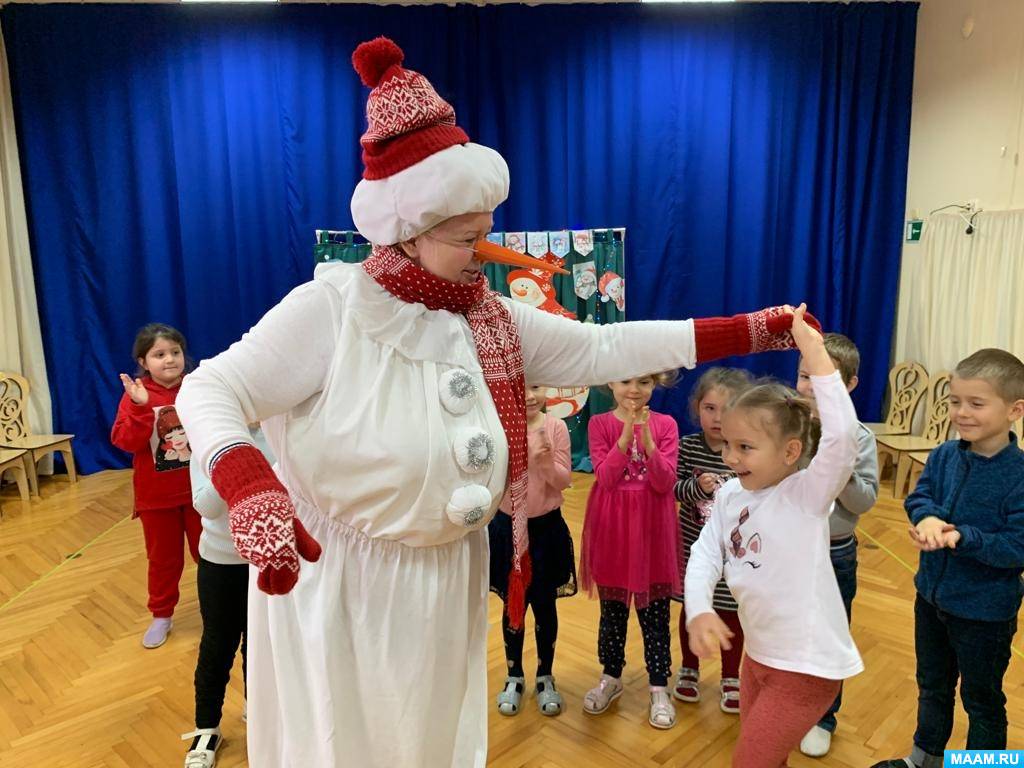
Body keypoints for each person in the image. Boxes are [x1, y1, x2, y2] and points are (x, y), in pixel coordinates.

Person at [177, 36, 818, 768]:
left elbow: (606, 349)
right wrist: (246, 480)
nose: (485, 247)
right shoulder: (331, 308)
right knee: (343, 743)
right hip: (344, 587)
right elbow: (210, 388)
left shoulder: (488, 317)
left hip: (444, 577)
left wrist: (749, 330)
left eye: (486, 229)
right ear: (407, 230)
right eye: (466, 235)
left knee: (428, 740)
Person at [686, 306, 863, 768]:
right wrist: (700, 608)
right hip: (758, 658)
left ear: (790, 451)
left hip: (804, 668)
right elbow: (705, 552)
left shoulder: (805, 495)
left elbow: (842, 439)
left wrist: (814, 351)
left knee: (749, 761)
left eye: (746, 447)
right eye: (727, 444)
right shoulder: (729, 495)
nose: (730, 457)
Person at [870, 349, 1024, 768]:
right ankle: (925, 759)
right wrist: (928, 518)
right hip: (932, 600)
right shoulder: (942, 456)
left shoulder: (1019, 476)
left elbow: (1016, 548)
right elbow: (921, 496)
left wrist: (961, 537)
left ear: (1015, 410)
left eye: (976, 403)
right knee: (933, 685)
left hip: (984, 614)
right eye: (955, 401)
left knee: (982, 699)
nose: (962, 412)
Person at [579, 372, 681, 729]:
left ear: (656, 385)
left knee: (655, 614)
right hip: (613, 528)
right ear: (610, 383)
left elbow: (665, 481)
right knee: (613, 612)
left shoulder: (667, 424)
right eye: (624, 381)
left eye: (644, 381)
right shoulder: (598, 423)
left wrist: (650, 443)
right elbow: (605, 479)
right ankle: (611, 676)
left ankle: (658, 686)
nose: (634, 390)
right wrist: (625, 437)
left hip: (653, 527)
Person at [796, 333, 879, 757]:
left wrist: (839, 464)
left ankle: (824, 716)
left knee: (829, 635)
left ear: (848, 384)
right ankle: (790, 706)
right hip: (789, 550)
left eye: (822, 377)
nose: (810, 386)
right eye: (804, 376)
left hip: (835, 552)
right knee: (789, 630)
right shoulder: (787, 425)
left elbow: (864, 500)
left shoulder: (860, 438)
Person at [180, 426, 272, 768]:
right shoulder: (206, 442)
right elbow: (205, 505)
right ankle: (206, 728)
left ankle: (256, 707)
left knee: (260, 642)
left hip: (265, 559)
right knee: (218, 645)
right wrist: (235, 461)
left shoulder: (277, 433)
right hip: (221, 561)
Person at [111, 323, 201, 649]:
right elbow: (125, 440)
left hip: (200, 493)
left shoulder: (197, 387)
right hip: (157, 499)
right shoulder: (137, 396)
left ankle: (219, 607)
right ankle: (162, 614)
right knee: (163, 560)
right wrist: (139, 406)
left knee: (209, 554)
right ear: (143, 361)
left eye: (175, 352)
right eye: (159, 354)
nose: (169, 360)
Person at [490, 384, 574, 717]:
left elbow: (565, 480)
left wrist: (545, 464)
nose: (527, 394)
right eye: (520, 385)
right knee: (514, 606)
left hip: (546, 531)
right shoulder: (498, 426)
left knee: (544, 605)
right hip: (508, 530)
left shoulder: (556, 427)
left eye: (536, 386)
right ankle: (513, 674)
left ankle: (545, 675)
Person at [672, 367, 752, 714]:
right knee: (694, 606)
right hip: (695, 551)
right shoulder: (688, 447)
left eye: (727, 408)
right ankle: (689, 669)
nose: (718, 418)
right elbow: (673, 489)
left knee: (731, 613)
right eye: (710, 408)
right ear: (697, 408)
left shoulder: (748, 450)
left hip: (736, 554)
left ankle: (731, 675)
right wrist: (696, 488)